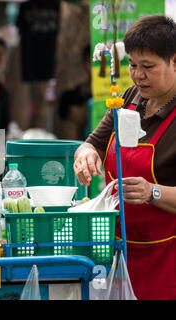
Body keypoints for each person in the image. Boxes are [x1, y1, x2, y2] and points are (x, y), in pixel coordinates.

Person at [73, 15, 176, 300]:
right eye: (132, 65)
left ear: (175, 62)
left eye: (148, 67)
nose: (137, 75)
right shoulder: (131, 98)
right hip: (116, 252)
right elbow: (91, 143)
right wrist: (85, 155)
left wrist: (152, 191)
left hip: (166, 262)